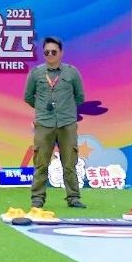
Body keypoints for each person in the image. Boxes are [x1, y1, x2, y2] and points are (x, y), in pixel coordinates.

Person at [23, 36, 87, 209]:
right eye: (46, 52)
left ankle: (73, 197)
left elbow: (80, 97)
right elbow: (28, 97)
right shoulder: (36, 73)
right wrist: (42, 109)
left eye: (54, 52)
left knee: (70, 163)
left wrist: (67, 110)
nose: (50, 55)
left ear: (61, 53)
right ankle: (37, 199)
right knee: (41, 163)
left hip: (67, 124)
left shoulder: (72, 72)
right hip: (44, 124)